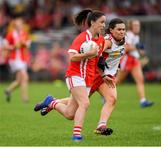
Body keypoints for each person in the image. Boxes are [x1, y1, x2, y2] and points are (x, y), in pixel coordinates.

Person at [39, 18, 126, 136]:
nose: (122, 32)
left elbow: (115, 56)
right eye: (119, 29)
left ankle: (101, 125)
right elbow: (97, 54)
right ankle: (52, 103)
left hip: (106, 77)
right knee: (77, 104)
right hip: (96, 75)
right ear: (111, 30)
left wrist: (115, 67)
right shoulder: (107, 41)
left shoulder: (123, 40)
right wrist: (103, 68)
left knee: (111, 99)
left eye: (123, 29)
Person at [34, 9, 106, 141]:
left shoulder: (101, 40)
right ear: (92, 22)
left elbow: (98, 60)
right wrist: (87, 54)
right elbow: (72, 57)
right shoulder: (82, 37)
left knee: (69, 114)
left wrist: (104, 73)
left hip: (88, 78)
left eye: (104, 22)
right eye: (101, 22)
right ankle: (76, 135)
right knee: (85, 103)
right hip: (75, 74)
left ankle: (52, 102)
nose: (103, 25)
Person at [116, 19, 154, 108]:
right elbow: (125, 48)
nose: (137, 27)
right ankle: (105, 94)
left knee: (140, 80)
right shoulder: (129, 34)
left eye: (138, 25)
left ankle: (143, 101)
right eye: (135, 25)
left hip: (134, 60)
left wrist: (141, 51)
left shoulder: (135, 36)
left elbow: (136, 48)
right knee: (117, 81)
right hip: (127, 59)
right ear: (131, 26)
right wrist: (137, 47)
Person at [4, 18, 31, 102]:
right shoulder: (11, 34)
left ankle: (8, 90)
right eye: (17, 25)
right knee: (25, 76)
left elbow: (28, 45)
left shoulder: (25, 34)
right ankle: (25, 98)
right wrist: (13, 46)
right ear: (15, 26)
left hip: (23, 59)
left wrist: (23, 43)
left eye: (20, 24)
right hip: (14, 59)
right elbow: (5, 46)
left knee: (19, 80)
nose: (19, 26)